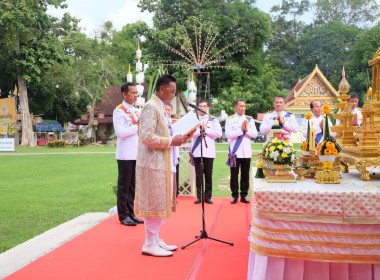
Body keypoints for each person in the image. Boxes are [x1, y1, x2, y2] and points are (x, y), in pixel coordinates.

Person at [135, 75, 193, 257]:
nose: (174, 95)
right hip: (152, 163)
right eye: (172, 91)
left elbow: (166, 132)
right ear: (162, 89)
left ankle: (155, 239)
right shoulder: (150, 107)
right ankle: (148, 243)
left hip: (163, 161)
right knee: (155, 201)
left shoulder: (160, 107)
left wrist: (182, 136)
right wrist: (170, 141)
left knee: (161, 199)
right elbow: (146, 136)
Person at [113, 82, 143, 226]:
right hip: (125, 154)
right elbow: (120, 133)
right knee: (124, 186)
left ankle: (131, 212)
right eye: (133, 93)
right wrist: (138, 126)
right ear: (124, 94)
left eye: (137, 93)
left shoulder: (135, 110)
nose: (136, 95)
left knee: (132, 186)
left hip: (136, 153)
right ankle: (123, 215)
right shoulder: (119, 111)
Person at [225, 100, 258, 204]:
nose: (243, 108)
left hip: (246, 152)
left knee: (245, 175)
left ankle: (244, 195)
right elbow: (228, 135)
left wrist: (247, 130)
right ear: (235, 107)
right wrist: (241, 130)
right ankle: (234, 195)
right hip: (235, 152)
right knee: (234, 175)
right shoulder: (230, 119)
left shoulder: (249, 119)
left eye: (244, 106)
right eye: (240, 106)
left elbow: (255, 134)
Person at [190, 100, 222, 205]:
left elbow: (218, 133)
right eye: (200, 106)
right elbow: (190, 133)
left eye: (204, 106)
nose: (202, 108)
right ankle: (199, 196)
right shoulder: (194, 120)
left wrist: (206, 130)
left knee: (208, 175)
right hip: (197, 151)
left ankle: (208, 196)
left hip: (209, 151)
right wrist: (198, 130)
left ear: (208, 108)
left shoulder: (212, 120)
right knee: (198, 175)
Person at [164, 102, 180, 197]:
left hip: (174, 152)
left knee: (175, 174)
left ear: (172, 111)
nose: (167, 112)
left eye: (168, 110)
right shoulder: (161, 122)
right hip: (164, 150)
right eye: (165, 110)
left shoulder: (175, 122)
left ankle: (175, 194)